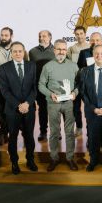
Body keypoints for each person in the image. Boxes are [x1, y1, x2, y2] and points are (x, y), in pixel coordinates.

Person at [39, 39, 79, 172]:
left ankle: (70, 158)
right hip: (53, 103)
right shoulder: (47, 66)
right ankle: (54, 158)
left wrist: (75, 93)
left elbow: (79, 84)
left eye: (63, 49)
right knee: (54, 132)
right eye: (58, 49)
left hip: (69, 103)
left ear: (66, 50)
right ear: (54, 50)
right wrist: (50, 94)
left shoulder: (73, 66)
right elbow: (41, 85)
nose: (61, 51)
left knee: (69, 132)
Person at [0, 42, 37, 175]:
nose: (17, 54)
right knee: (13, 137)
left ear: (24, 52)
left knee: (29, 136)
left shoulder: (31, 66)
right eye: (15, 51)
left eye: (20, 51)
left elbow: (34, 88)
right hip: (12, 109)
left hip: (29, 108)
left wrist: (27, 103)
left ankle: (30, 160)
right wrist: (18, 105)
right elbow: (4, 91)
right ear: (11, 53)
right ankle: (14, 162)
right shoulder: (4, 68)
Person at [29, 30, 56, 142]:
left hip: (54, 86)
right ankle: (43, 131)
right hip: (40, 86)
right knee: (42, 110)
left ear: (50, 37)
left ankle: (56, 132)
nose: (41, 38)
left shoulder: (56, 50)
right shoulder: (32, 52)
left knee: (55, 110)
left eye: (44, 36)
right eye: (40, 36)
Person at [67, 26, 89, 137]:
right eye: (77, 34)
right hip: (75, 82)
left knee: (89, 105)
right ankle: (79, 127)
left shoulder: (91, 47)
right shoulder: (71, 49)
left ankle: (90, 128)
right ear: (74, 35)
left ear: (85, 34)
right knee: (75, 107)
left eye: (81, 33)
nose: (79, 36)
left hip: (88, 83)